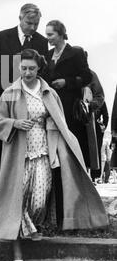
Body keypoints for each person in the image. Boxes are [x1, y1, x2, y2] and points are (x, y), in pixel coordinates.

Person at [0, 49, 108, 261]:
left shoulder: (49, 93)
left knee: (39, 201)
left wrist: (57, 139)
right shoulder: (12, 92)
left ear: (39, 68)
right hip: (19, 156)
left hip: (44, 152)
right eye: (23, 68)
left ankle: (26, 229)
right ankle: (17, 259)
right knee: (17, 202)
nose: (27, 72)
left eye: (31, 68)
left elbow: (59, 122)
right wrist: (14, 123)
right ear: (19, 68)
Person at [0, 4, 48, 205]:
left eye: (36, 24)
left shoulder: (41, 42)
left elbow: (44, 72)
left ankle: (17, 197)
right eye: (29, 23)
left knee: (22, 147)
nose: (32, 27)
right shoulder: (2, 36)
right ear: (20, 18)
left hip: (26, 100)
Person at [44, 21, 92, 169]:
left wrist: (66, 82)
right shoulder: (48, 54)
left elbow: (87, 77)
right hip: (52, 106)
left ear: (60, 34)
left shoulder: (76, 53)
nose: (48, 38)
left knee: (71, 143)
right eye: (47, 34)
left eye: (50, 34)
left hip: (70, 107)